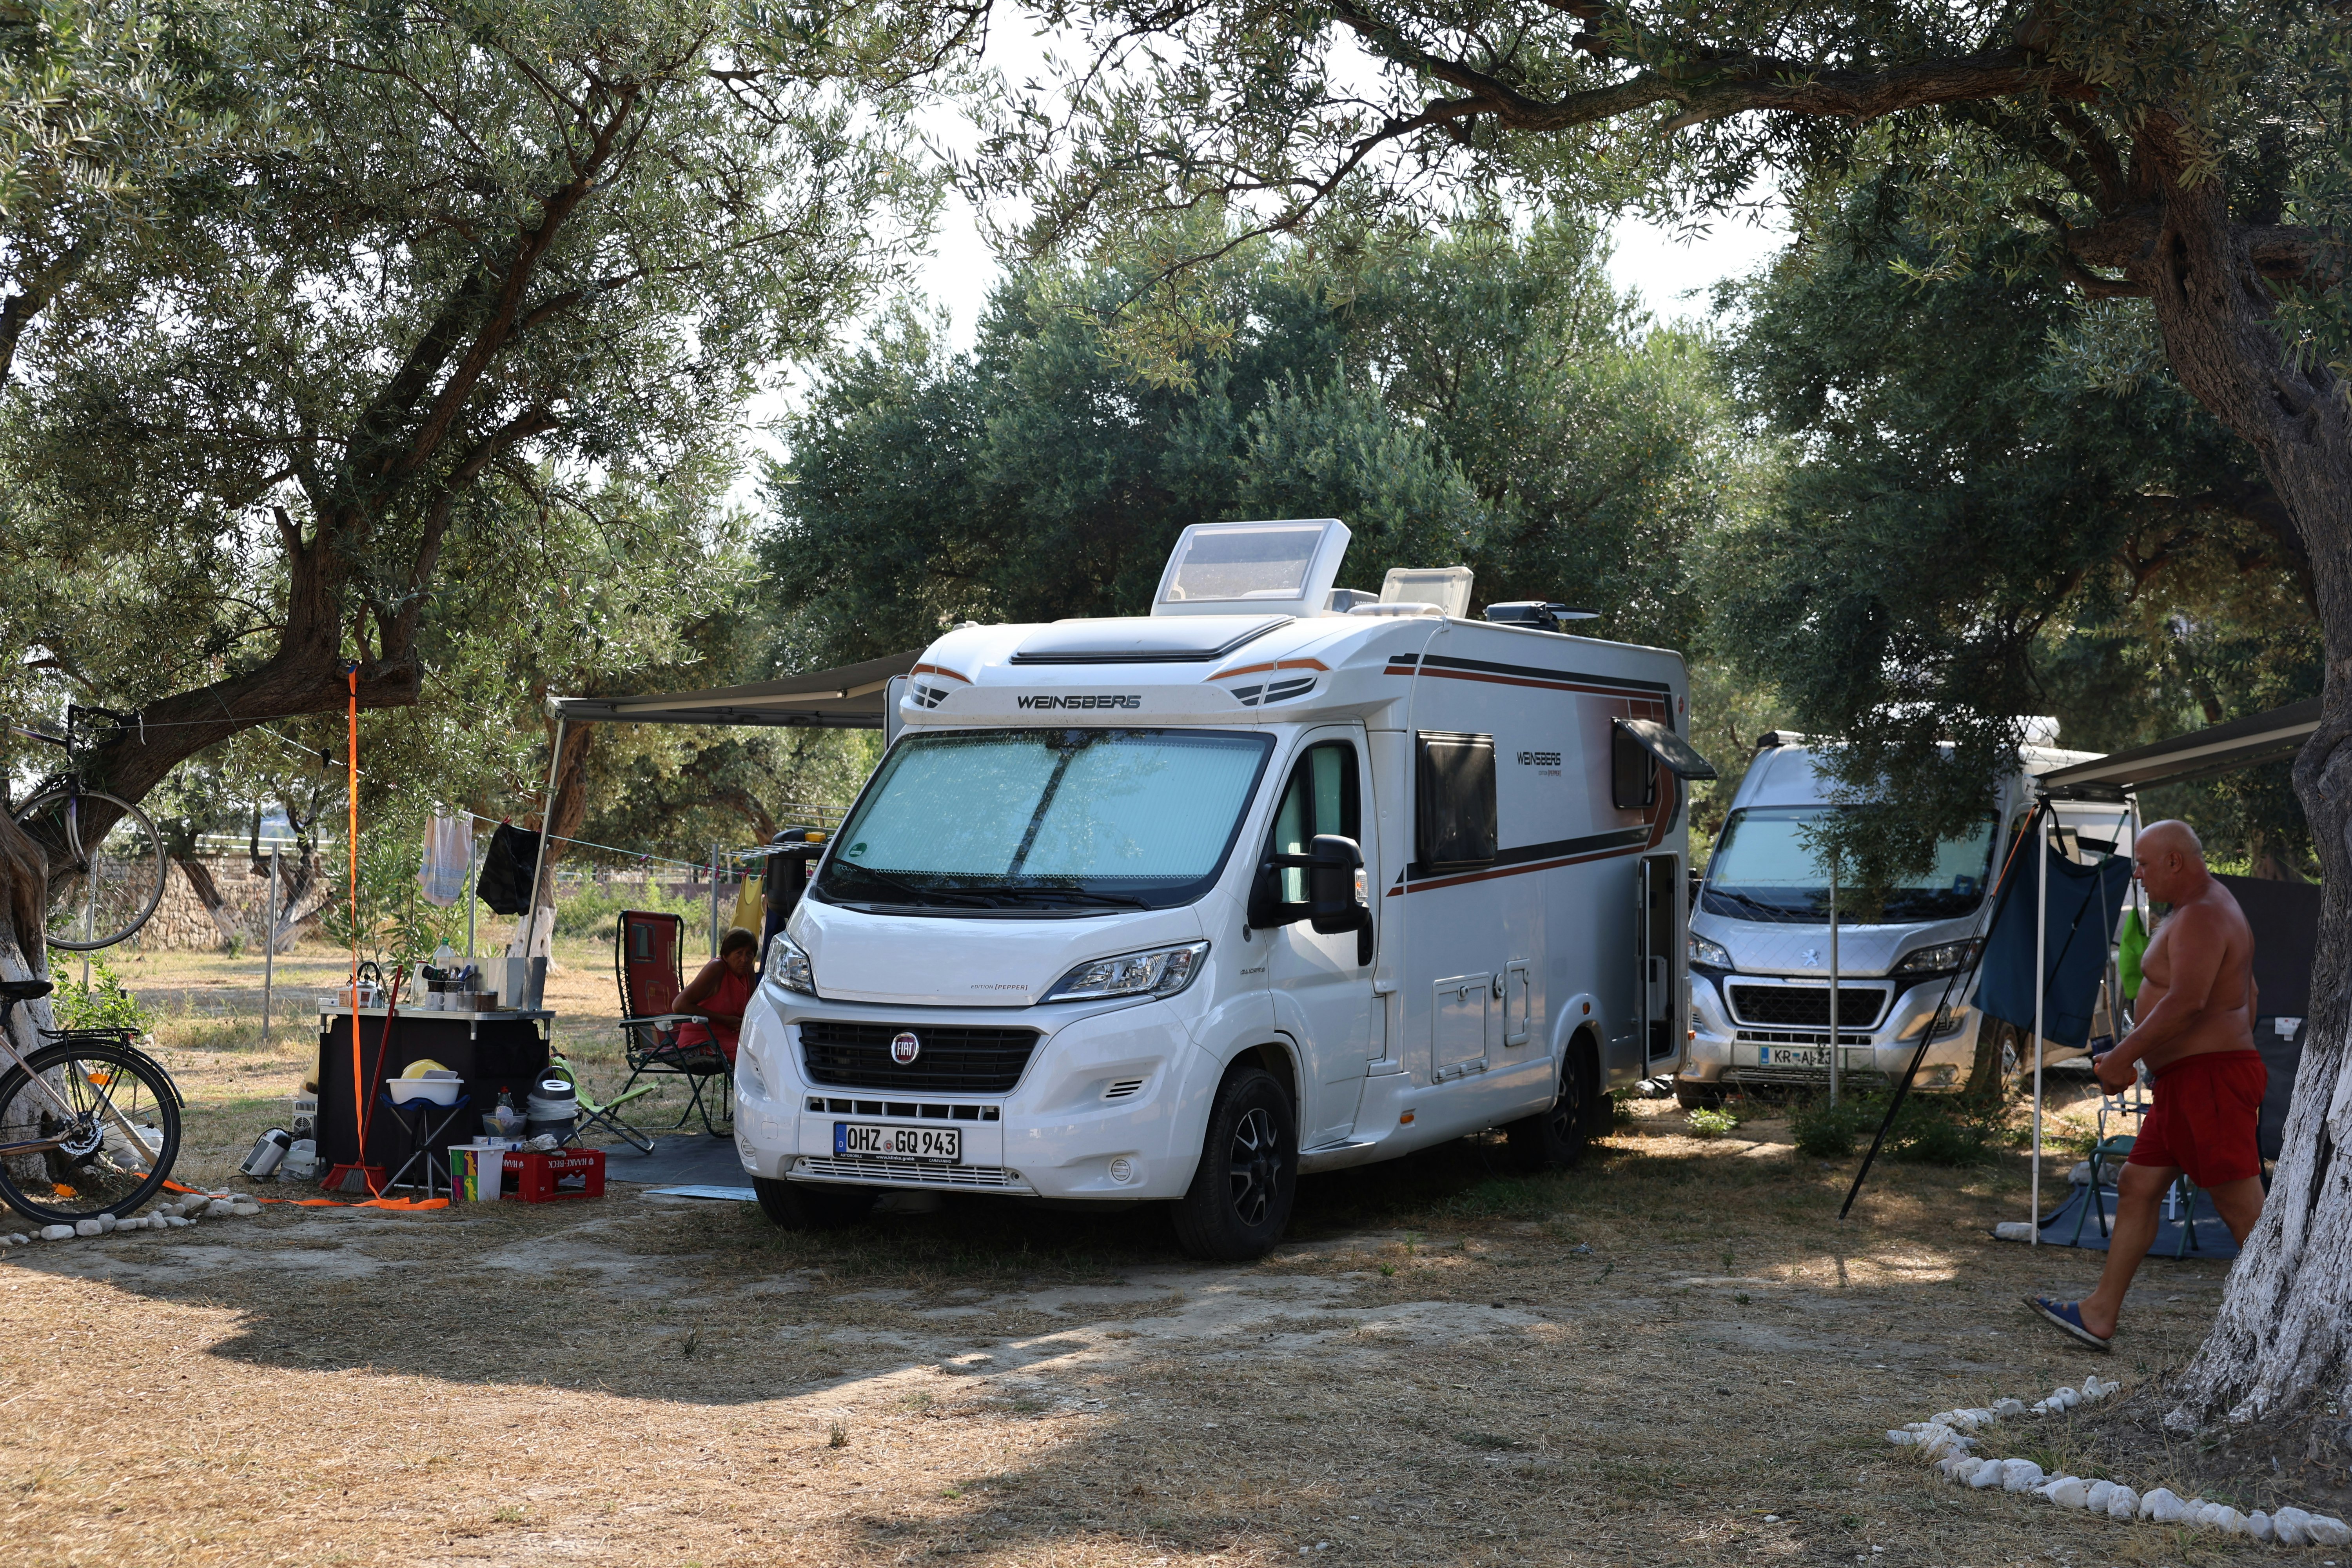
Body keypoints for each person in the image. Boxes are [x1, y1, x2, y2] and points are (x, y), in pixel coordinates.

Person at [2028, 820, 2265, 1350]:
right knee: (2138, 1186)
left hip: (2209, 1082)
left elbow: (2188, 1000)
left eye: (2144, 863)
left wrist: (2125, 1058)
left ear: (2176, 862)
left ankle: (2290, 1330)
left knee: (2242, 1209)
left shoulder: (2204, 913)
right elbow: (2250, 992)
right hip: (2189, 1081)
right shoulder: (2201, 910)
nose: (2137, 873)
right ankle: (2099, 1313)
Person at [674, 926, 759, 1065]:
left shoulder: (748, 970)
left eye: (749, 954)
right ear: (726, 956)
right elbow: (679, 1005)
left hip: (732, 1037)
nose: (745, 959)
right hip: (701, 1040)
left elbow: (753, 1007)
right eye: (739, 953)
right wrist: (725, 1020)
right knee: (751, 1060)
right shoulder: (718, 968)